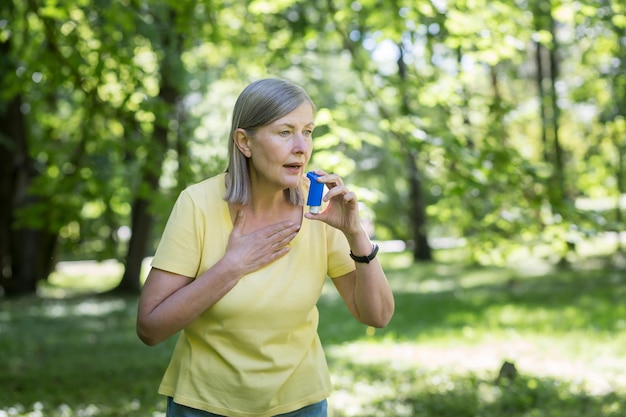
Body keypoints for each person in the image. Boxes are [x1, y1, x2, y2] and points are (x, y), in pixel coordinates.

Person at [136, 78, 395, 417]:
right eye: (285, 132)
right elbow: (150, 328)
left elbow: (377, 315)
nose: (302, 146)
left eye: (308, 131)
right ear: (244, 142)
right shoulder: (197, 204)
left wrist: (356, 235)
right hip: (204, 405)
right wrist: (232, 266)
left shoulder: (320, 210)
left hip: (300, 404)